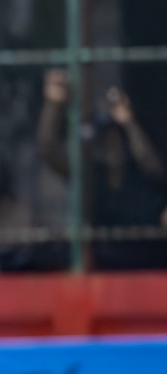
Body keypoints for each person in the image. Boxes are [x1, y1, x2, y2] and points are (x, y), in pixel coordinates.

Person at [38, 74, 167, 270]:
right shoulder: (91, 177)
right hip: (104, 264)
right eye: (102, 138)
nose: (108, 144)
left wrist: (129, 123)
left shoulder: (141, 172)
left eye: (114, 136)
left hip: (151, 260)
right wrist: (53, 106)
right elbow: (48, 149)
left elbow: (152, 164)